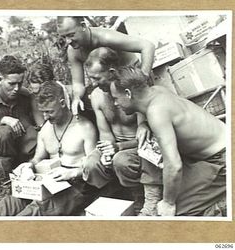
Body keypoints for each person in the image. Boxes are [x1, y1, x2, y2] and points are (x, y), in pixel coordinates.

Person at [110, 65, 226, 216]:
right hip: (205, 153)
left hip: (222, 160)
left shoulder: (156, 113)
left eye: (115, 98)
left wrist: (168, 203)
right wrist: (144, 124)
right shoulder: (157, 91)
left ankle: (221, 205)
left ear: (128, 93)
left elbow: (174, 165)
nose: (115, 104)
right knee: (137, 155)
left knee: (176, 211)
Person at [0, 80, 98, 216]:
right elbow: (37, 158)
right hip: (48, 181)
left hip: (76, 186)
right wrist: (28, 166)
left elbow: (94, 170)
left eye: (50, 112)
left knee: (40, 207)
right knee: (17, 199)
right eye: (43, 112)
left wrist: (73, 173)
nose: (45, 117)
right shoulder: (46, 129)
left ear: (62, 103)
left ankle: (10, 231)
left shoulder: (85, 128)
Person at [82, 47, 151, 214]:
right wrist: (106, 152)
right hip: (117, 147)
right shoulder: (97, 96)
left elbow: (146, 136)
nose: (93, 83)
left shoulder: (131, 90)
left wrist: (118, 149)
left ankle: (139, 198)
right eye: (90, 78)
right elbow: (106, 136)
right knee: (90, 163)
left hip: (138, 146)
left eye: (96, 78)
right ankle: (114, 192)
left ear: (111, 71)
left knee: (121, 160)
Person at [56, 16, 155, 117]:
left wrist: (143, 78)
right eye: (64, 37)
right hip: (107, 84)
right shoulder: (72, 51)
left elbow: (147, 46)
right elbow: (78, 83)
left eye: (71, 35)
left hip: (132, 82)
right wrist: (77, 98)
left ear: (83, 26)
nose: (68, 41)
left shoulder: (106, 37)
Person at [0, 55, 40, 181]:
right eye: (11, 84)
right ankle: (7, 180)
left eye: (20, 83)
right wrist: (2, 121)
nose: (16, 88)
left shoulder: (27, 96)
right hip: (3, 156)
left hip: (28, 153)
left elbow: (39, 126)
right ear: (0, 79)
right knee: (3, 132)